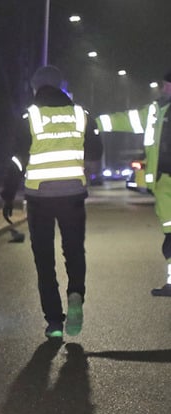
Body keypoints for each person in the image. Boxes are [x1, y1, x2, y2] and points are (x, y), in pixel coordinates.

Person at [1, 65, 103, 340]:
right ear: (61, 87)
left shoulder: (29, 117)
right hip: (73, 196)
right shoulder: (81, 115)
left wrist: (8, 194)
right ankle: (76, 294)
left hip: (39, 199)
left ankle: (54, 322)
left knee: (44, 260)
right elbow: (96, 151)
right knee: (74, 251)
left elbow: (17, 160)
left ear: (36, 87)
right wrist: (86, 170)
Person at [96, 70, 171, 296]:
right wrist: (93, 123)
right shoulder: (155, 112)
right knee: (170, 236)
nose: (163, 89)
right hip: (163, 182)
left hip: (165, 182)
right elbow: (126, 120)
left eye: (166, 85)